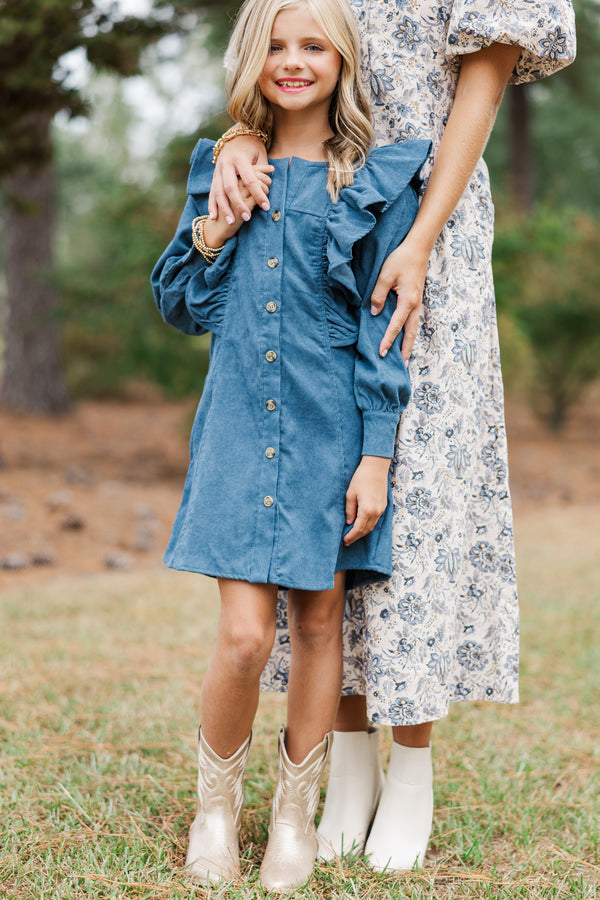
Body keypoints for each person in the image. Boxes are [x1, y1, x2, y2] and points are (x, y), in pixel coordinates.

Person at [209, 0, 577, 874]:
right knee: (325, 499)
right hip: (318, 202)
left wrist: (419, 239)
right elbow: (283, 52)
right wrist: (238, 139)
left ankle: (409, 765)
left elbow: (479, 87)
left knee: (405, 503)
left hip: (424, 228)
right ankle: (349, 765)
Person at [152, 0, 430, 890]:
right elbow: (179, 306)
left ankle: (293, 822)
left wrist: (377, 456)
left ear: (342, 62)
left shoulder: (375, 184)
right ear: (252, 57)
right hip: (238, 429)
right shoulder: (223, 169)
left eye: (313, 44)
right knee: (242, 637)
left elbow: (386, 329)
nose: (294, 60)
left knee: (318, 628)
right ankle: (214, 814)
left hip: (330, 434)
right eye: (276, 44)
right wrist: (217, 226)